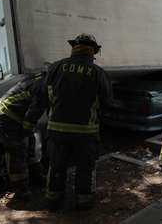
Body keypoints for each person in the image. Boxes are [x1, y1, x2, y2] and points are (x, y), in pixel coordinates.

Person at [24, 33, 113, 212]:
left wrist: (29, 122)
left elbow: (40, 98)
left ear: (74, 48)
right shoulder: (97, 72)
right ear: (92, 51)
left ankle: (54, 203)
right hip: (86, 134)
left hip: (57, 132)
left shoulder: (56, 67)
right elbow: (107, 102)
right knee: (85, 169)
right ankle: (84, 203)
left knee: (56, 168)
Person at [0, 72, 45, 200]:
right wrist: (27, 129)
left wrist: (28, 130)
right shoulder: (43, 86)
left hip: (15, 113)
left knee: (30, 144)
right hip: (6, 113)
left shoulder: (43, 80)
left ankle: (36, 178)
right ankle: (21, 189)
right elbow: (34, 112)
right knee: (17, 150)